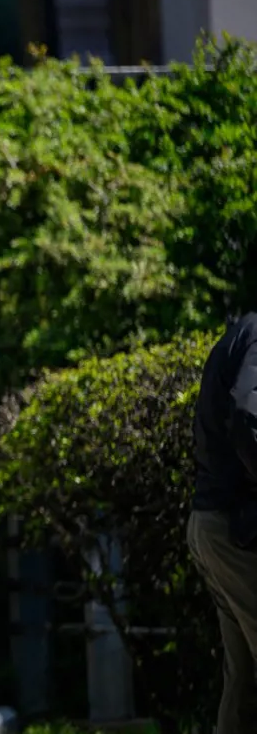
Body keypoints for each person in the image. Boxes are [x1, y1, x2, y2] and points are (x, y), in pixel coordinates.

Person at [190, 314, 257, 734]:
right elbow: (249, 420)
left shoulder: (242, 335)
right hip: (234, 534)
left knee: (243, 679)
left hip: (213, 527)